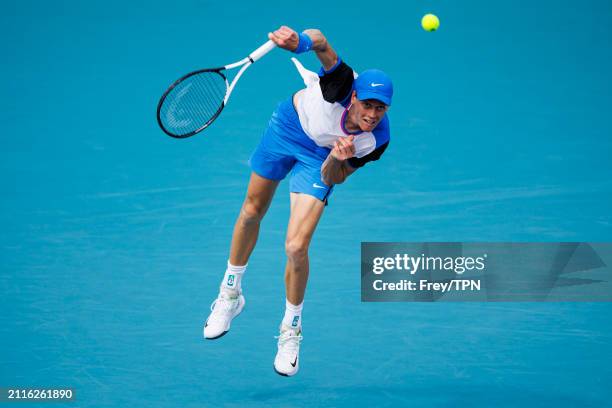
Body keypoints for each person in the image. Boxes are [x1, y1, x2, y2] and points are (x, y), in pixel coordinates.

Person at [203, 25, 393, 377]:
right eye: (367, 105)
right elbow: (319, 39)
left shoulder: (375, 141)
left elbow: (333, 178)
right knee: (251, 211)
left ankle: (291, 330)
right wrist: (300, 42)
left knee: (296, 247)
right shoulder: (340, 83)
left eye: (380, 109)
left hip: (319, 158)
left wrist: (336, 158)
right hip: (288, 128)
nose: (372, 115)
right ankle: (230, 293)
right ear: (353, 98)